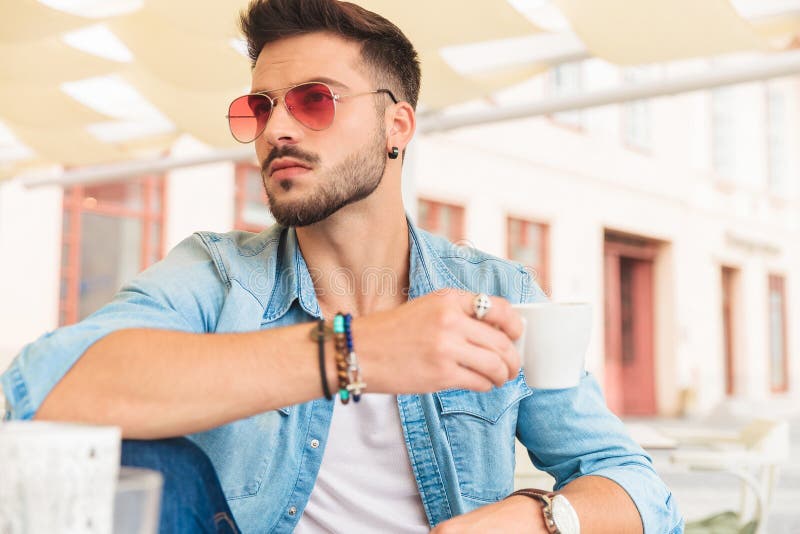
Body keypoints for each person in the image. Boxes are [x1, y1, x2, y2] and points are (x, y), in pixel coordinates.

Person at [1, 0, 683, 532]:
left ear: (398, 128)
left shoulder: (497, 292)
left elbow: (639, 488)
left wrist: (542, 517)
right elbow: (42, 393)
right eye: (261, 108)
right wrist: (350, 352)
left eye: (314, 99)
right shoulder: (217, 273)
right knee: (146, 461)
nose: (277, 130)